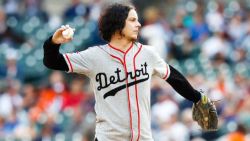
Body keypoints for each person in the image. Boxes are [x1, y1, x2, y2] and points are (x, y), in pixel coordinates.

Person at [43, 3, 217, 141]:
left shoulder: (147, 53)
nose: (139, 24)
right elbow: (52, 61)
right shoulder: (94, 56)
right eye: (133, 20)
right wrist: (53, 42)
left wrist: (197, 98)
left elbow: (174, 77)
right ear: (118, 25)